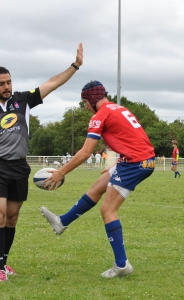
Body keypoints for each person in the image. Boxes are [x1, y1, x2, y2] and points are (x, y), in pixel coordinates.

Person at [40, 80, 155, 278]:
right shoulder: (118, 108)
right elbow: (133, 138)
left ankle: (122, 264)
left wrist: (61, 172)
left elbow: (85, 153)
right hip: (140, 161)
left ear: (92, 99)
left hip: (135, 164)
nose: (84, 106)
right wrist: (122, 160)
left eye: (84, 102)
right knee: (96, 188)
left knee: (108, 209)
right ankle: (62, 222)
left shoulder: (99, 116)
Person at [0, 43, 83, 282]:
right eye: (1, 83)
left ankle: (3, 261)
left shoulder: (22, 100)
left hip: (19, 167)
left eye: (8, 82)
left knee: (12, 217)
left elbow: (52, 83)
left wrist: (74, 66)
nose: (6, 87)